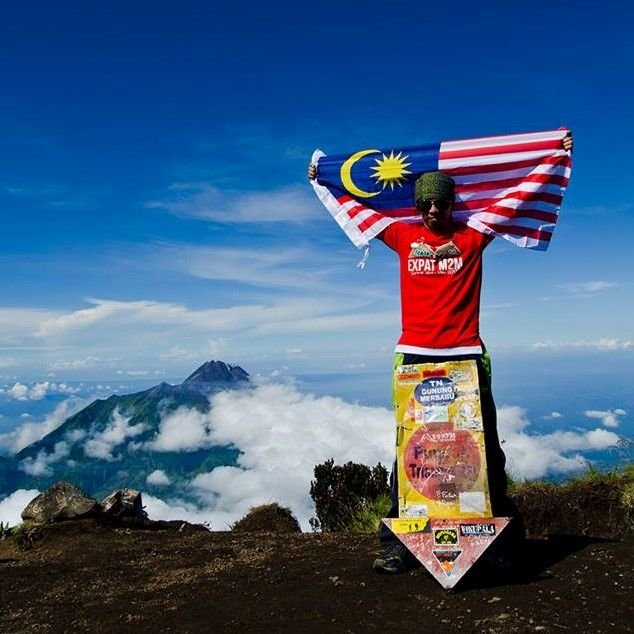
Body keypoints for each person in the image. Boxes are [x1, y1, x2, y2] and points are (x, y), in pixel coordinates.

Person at [308, 133, 573, 575]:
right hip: (414, 356)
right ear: (417, 205)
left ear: (452, 204)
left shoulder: (474, 236)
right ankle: (396, 545)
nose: (434, 210)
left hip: (466, 355)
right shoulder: (400, 235)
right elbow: (360, 208)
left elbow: (517, 194)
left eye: (442, 203)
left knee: (483, 449)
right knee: (411, 452)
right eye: (427, 203)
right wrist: (324, 177)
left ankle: (500, 544)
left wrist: (554, 152)